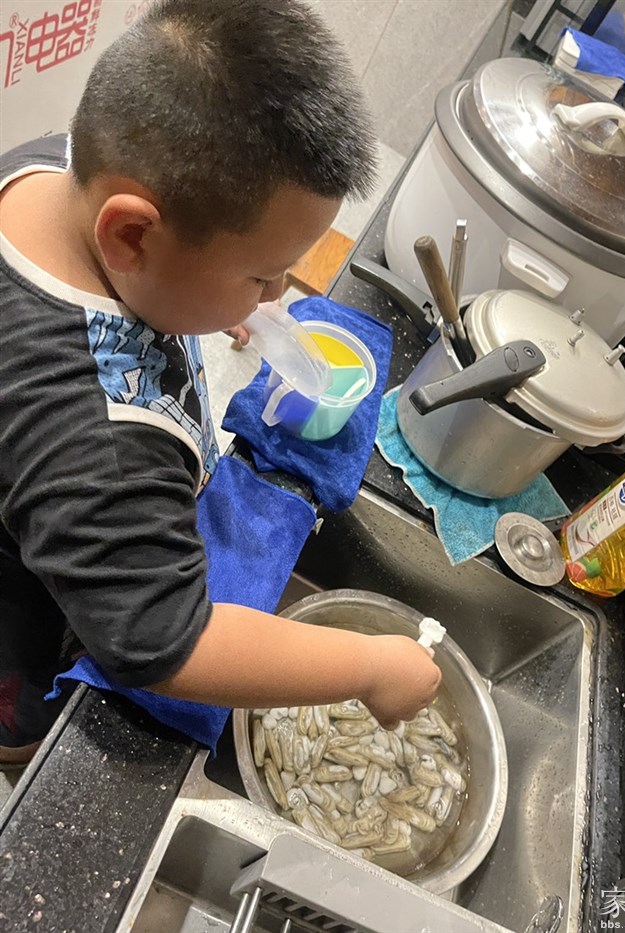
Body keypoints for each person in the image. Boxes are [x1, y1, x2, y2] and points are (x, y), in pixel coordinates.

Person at [0, 0, 440, 766]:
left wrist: (220, 293)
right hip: (29, 600)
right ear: (131, 234)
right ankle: (16, 741)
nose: (276, 295)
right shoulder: (100, 448)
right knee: (24, 691)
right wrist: (371, 665)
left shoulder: (60, 167)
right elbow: (168, 641)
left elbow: (157, 271)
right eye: (263, 275)